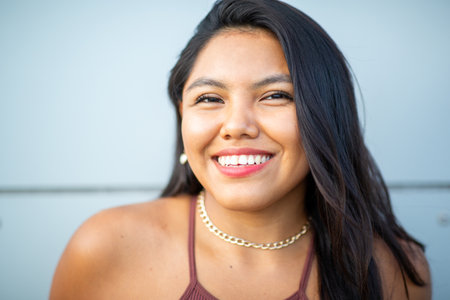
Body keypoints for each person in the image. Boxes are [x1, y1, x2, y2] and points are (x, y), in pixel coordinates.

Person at [50, 0, 431, 299]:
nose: (235, 126)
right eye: (210, 98)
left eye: (276, 95)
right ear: (183, 115)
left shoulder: (391, 269)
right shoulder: (105, 247)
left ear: (326, 114)